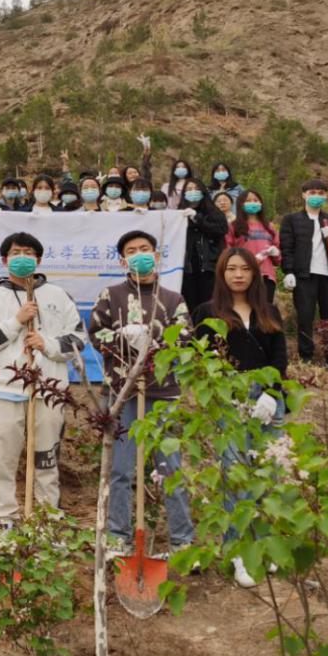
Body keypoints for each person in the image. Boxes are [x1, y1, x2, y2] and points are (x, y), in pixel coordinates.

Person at [88, 230, 194, 557]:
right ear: (123, 261)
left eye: (144, 249)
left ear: (156, 255)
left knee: (170, 469)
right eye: (131, 251)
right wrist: (123, 336)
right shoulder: (111, 295)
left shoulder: (173, 299)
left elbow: (185, 338)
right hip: (122, 393)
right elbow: (96, 334)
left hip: (163, 391)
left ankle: (182, 541)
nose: (139, 255)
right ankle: (118, 537)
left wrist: (154, 340)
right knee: (120, 469)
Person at [0, 233, 87, 526]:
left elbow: (78, 339)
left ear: (38, 259)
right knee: (2, 459)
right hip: (4, 389)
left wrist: (47, 344)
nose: (22, 257)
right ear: (4, 260)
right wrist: (16, 321)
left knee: (46, 458)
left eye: (28, 252)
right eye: (15, 253)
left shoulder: (59, 295)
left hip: (49, 389)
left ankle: (46, 519)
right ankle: (5, 519)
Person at [193, 247, 287, 588]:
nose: (238, 275)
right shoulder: (207, 312)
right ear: (222, 273)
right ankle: (237, 550)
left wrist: (271, 393)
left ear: (254, 274)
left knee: (268, 473)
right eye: (231, 268)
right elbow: (201, 360)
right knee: (235, 474)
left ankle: (264, 543)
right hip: (229, 400)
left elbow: (280, 358)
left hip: (269, 400)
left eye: (244, 269)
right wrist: (224, 393)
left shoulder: (269, 310)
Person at [279, 178, 328, 363]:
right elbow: (287, 247)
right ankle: (306, 357)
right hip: (304, 276)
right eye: (312, 193)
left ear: (326, 196)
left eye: (320, 193)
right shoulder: (291, 220)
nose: (316, 196)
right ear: (304, 195)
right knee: (305, 317)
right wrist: (288, 271)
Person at [178, 177, 229, 311]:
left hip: (209, 268)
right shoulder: (179, 214)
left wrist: (197, 218)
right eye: (189, 189)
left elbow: (221, 230)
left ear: (203, 191)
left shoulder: (214, 212)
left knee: (209, 306)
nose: (192, 191)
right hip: (187, 269)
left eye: (196, 188)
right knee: (189, 306)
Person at [226, 190, 281, 301]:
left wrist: (276, 253)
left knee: (265, 308)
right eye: (248, 200)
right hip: (243, 275)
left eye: (255, 200)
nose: (252, 203)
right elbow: (227, 251)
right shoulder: (234, 226)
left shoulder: (269, 227)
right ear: (241, 204)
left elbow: (278, 259)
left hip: (266, 275)